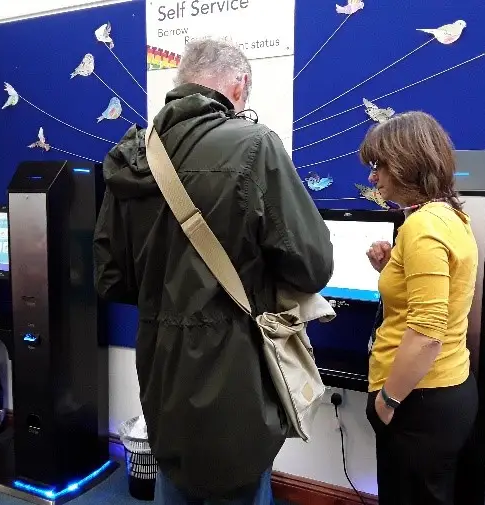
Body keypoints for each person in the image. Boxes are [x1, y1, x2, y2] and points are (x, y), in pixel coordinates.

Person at [93, 38, 333, 504]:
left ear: (181, 83)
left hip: (160, 365)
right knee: (238, 480)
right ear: (240, 85)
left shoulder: (132, 155)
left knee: (173, 480)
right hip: (235, 368)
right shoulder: (255, 146)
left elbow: (111, 278)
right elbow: (313, 263)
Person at [361, 111, 479, 505]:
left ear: (406, 162)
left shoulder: (423, 227)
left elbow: (427, 332)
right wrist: (392, 267)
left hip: (417, 401)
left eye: (379, 166)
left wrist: (387, 402)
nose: (373, 178)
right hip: (441, 394)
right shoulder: (449, 217)